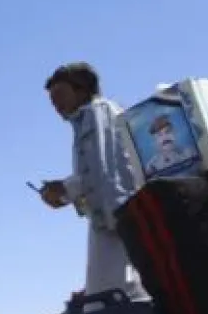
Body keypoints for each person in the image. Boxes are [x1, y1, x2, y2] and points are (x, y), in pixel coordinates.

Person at [38, 63, 149, 301]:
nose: (55, 105)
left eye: (60, 95)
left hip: (117, 219)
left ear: (82, 89)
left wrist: (65, 190)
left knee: (114, 303)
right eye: (52, 100)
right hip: (110, 220)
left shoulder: (97, 112)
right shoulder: (87, 118)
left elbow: (107, 169)